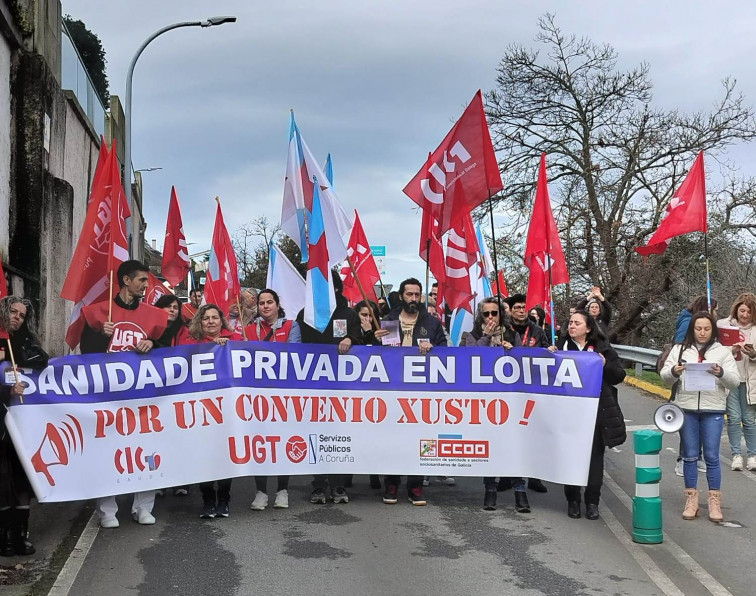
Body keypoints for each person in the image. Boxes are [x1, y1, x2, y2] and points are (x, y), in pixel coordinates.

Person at [80, 260, 167, 528]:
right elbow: (85, 353)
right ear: (126, 280)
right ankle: (107, 509)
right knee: (108, 450)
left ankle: (144, 506)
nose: (146, 284)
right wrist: (98, 335)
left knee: (148, 449)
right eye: (142, 279)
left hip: (144, 397)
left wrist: (152, 341)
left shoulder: (154, 315)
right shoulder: (97, 313)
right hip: (109, 397)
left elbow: (168, 351)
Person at [661, 312, 739, 521]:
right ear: (692, 329)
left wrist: (721, 372)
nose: (702, 333)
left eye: (706, 328)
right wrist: (675, 372)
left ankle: (714, 501)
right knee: (690, 455)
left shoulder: (722, 352)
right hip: (686, 408)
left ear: (713, 330)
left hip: (712, 409)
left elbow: (734, 381)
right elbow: (665, 376)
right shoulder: (680, 350)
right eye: (698, 328)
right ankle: (691, 498)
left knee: (712, 456)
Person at [552, 310, 626, 520]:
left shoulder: (603, 349)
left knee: (594, 458)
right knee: (571, 457)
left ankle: (592, 501)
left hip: (595, 413)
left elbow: (619, 375)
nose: (572, 326)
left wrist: (605, 365)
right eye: (570, 323)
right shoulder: (561, 348)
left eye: (577, 323)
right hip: (568, 412)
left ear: (589, 328)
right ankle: (573, 499)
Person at [382, 278, 449, 505]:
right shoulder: (389, 320)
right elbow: (378, 352)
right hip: (393, 388)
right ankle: (391, 483)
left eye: (416, 294)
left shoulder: (431, 322)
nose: (413, 299)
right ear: (401, 296)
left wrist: (434, 350)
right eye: (409, 294)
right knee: (392, 438)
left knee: (420, 438)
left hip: (422, 390)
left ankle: (416, 486)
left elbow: (446, 352)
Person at [297, 274, 363, 504]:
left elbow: (362, 340)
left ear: (335, 289)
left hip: (342, 386)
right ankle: (318, 484)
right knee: (317, 435)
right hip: (314, 385)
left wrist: (350, 339)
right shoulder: (306, 314)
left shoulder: (348, 314)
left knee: (339, 435)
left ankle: (338, 484)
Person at [462, 298, 531, 514]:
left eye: (494, 313)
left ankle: (520, 490)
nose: (490, 317)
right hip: (484, 401)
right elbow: (469, 358)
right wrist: (487, 337)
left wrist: (513, 352)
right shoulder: (471, 336)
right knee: (490, 446)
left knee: (513, 444)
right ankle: (489, 489)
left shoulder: (512, 335)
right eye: (486, 314)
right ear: (480, 316)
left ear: (501, 314)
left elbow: (524, 364)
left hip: (510, 400)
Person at [180, 304, 242, 518]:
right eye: (206, 318)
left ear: (221, 321)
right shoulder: (190, 344)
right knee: (204, 456)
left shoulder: (235, 342)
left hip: (226, 410)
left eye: (215, 318)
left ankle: (224, 499)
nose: (211, 322)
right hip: (201, 409)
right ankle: (208, 500)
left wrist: (227, 348)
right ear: (200, 321)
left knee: (224, 455)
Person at [0, 296, 49, 556]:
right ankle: (5, 538)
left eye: (22, 314)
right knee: (3, 482)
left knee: (22, 480)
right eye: (13, 312)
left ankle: (20, 537)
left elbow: (43, 360)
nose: (18, 317)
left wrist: (22, 360)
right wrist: (6, 389)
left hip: (20, 423)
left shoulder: (24, 341)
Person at [246, 289, 299, 510]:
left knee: (282, 441)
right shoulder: (249, 329)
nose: (265, 306)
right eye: (262, 303)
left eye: (270, 302)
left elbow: (294, 353)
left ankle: (282, 490)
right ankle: (260, 492)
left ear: (278, 305)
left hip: (283, 393)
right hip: (257, 393)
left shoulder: (290, 326)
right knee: (260, 442)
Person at [506, 293, 549, 494]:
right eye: (517, 308)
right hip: (508, 389)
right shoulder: (504, 330)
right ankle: (506, 477)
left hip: (533, 389)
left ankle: (535, 477)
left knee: (533, 433)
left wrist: (550, 350)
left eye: (524, 307)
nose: (521, 311)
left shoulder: (537, 331)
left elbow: (547, 354)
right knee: (510, 433)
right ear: (512, 310)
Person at [153, 294, 190, 496]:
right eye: (168, 306)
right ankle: (158, 480)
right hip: (154, 392)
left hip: (178, 391)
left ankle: (181, 480)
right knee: (157, 438)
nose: (172, 310)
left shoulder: (185, 331)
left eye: (176, 307)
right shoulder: (147, 328)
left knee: (178, 437)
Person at [717, 293, 756, 471]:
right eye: (742, 310)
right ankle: (736, 455)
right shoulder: (723, 325)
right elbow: (715, 350)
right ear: (736, 309)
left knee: (749, 419)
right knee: (733, 418)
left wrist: (753, 354)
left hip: (750, 380)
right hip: (731, 378)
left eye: (749, 311)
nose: (745, 315)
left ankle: (753, 455)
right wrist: (731, 349)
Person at [354, 299, 390, 491]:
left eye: (371, 316)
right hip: (353, 388)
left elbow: (392, 353)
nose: (367, 319)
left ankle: (374, 472)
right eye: (364, 315)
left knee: (374, 434)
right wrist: (367, 334)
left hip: (376, 389)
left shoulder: (384, 330)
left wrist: (374, 335)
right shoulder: (350, 329)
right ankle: (347, 473)